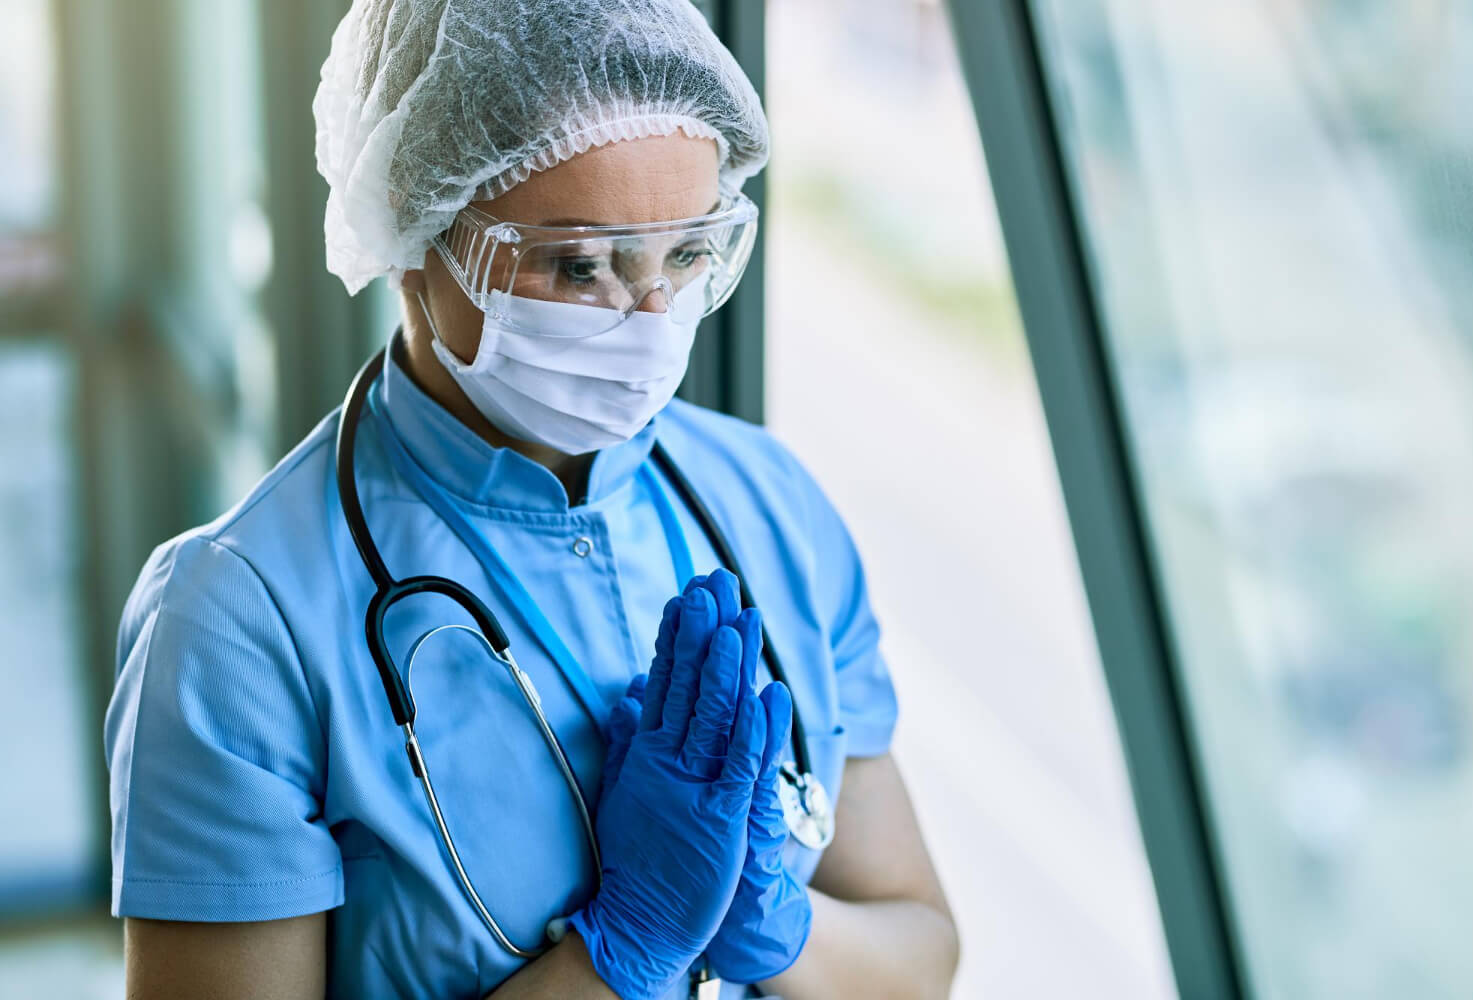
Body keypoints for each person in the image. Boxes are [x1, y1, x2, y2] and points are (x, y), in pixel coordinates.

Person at [103, 1, 959, 997]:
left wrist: (769, 917)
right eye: (578, 264)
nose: (648, 323)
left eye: (685, 255)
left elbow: (921, 952)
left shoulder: (767, 504)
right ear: (413, 230)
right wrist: (620, 947)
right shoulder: (236, 619)